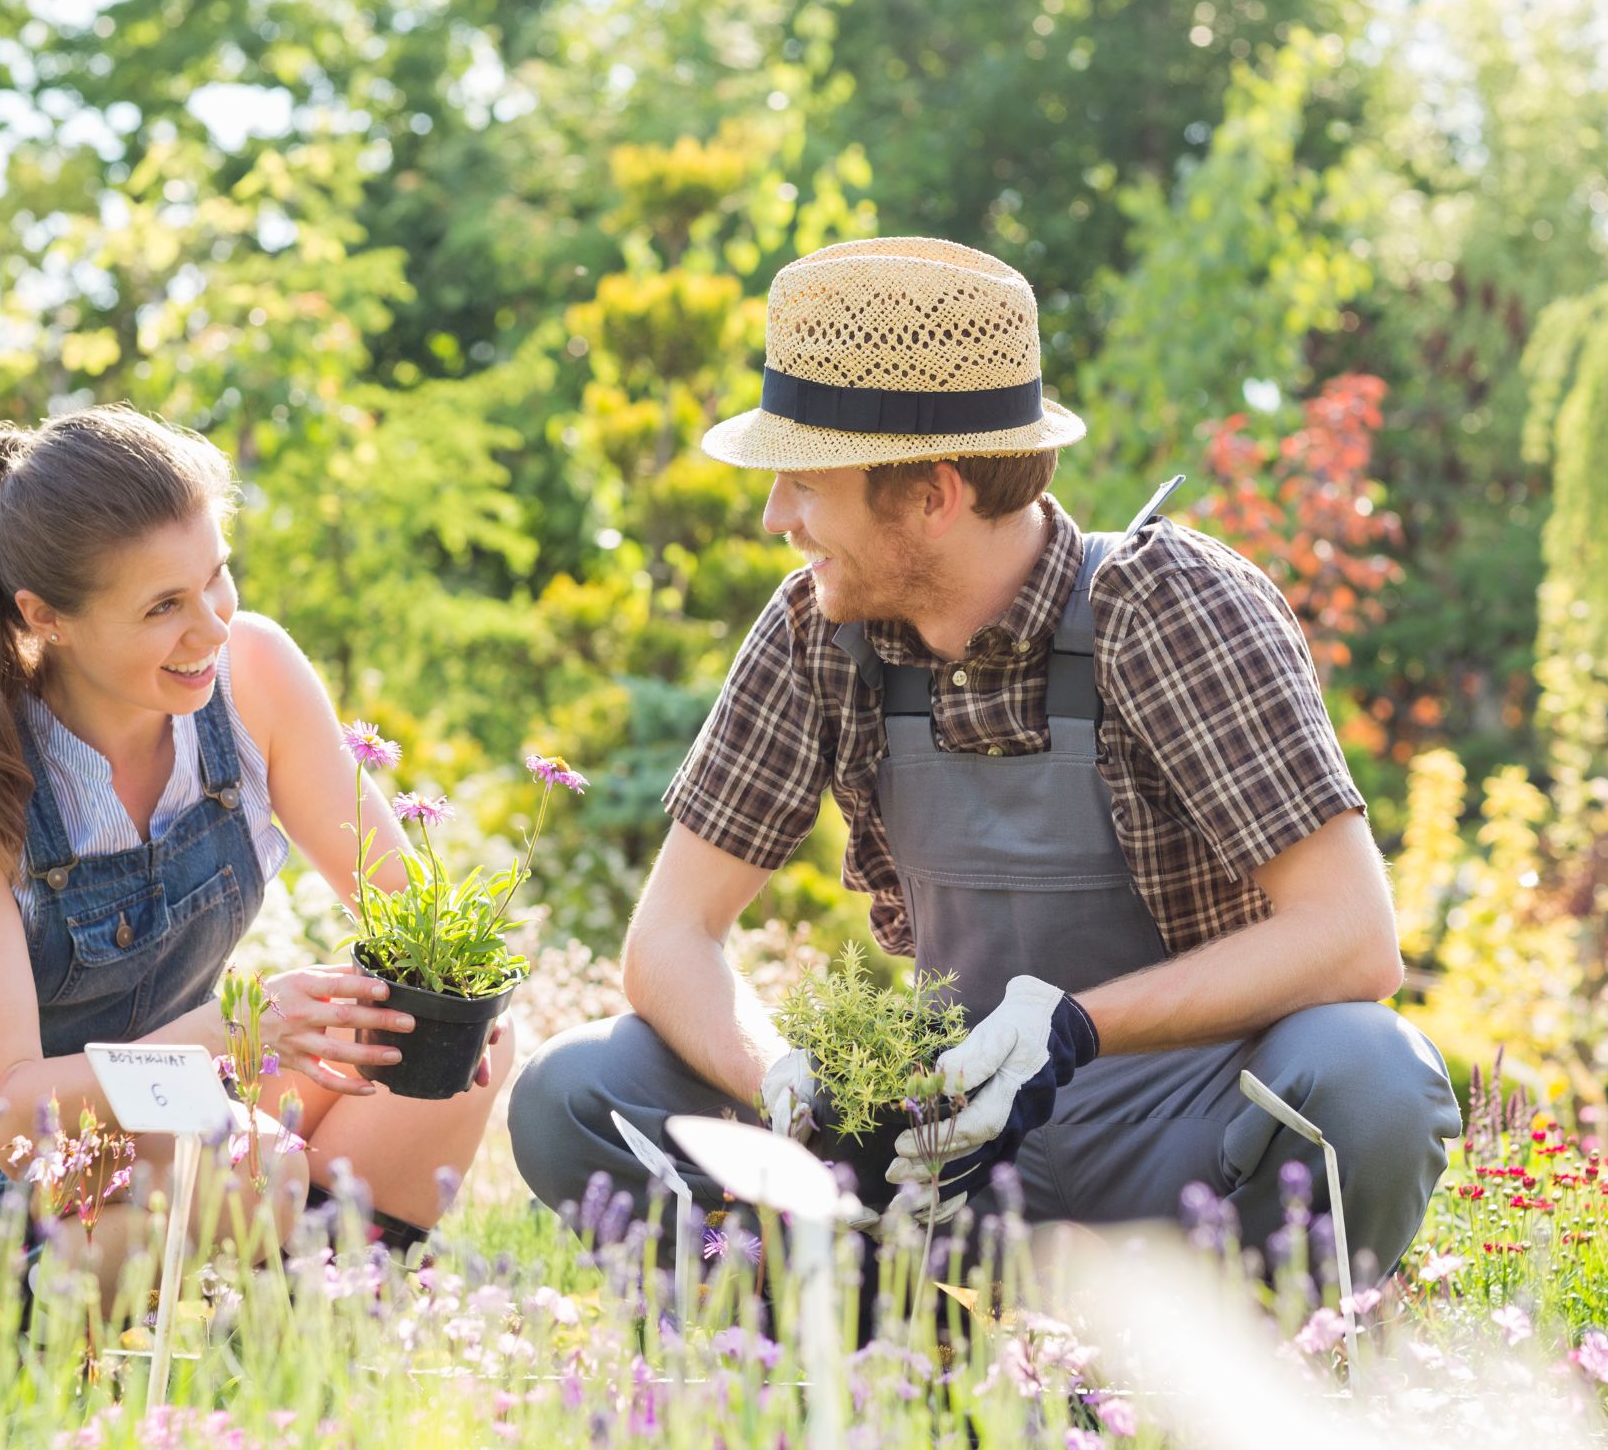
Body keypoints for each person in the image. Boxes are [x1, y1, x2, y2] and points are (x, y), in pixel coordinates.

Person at [511, 237, 1459, 1275]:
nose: (777, 519)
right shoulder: (817, 631)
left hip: (1180, 1144)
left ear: (932, 493)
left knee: (1373, 1074)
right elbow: (670, 937)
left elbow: (1353, 936)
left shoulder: (1172, 606)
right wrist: (778, 1069)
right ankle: (862, 1362)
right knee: (577, 1089)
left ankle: (1231, 1371)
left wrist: (1072, 1026)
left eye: (805, 485)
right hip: (939, 1150)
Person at [0, 404, 511, 1274]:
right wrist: (241, 1028)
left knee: (457, 1045)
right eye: (163, 606)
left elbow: (412, 912)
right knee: (238, 1172)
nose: (214, 627)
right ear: (46, 617)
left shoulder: (251, 675)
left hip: (166, 1086)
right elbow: (11, 1114)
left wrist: (441, 1003)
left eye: (216, 577)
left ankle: (330, 1307)